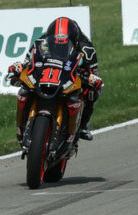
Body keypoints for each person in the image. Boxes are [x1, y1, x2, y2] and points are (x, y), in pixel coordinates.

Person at [6, 16, 103, 145]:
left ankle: (84, 125)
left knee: (93, 91)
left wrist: (91, 78)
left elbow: (92, 72)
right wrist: (20, 68)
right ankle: (22, 125)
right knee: (24, 89)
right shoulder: (41, 40)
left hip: (70, 78)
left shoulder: (87, 48)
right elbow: (29, 61)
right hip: (47, 75)